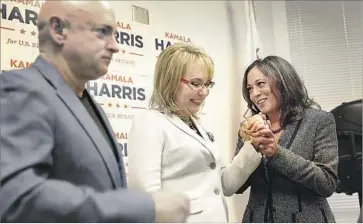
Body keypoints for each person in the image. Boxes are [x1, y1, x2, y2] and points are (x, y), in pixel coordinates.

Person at [0, 1, 190, 222]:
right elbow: (15, 197)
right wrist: (144, 208)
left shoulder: (85, 102)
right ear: (58, 30)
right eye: (103, 32)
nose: (115, 46)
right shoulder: (22, 90)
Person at [127, 43, 267, 222]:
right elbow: (145, 202)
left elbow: (225, 185)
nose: (204, 92)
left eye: (208, 84)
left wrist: (252, 146)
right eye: (195, 83)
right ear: (169, 80)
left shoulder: (198, 124)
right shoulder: (149, 122)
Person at [235, 55, 339, 222]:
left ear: (283, 81)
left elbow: (326, 183)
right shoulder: (250, 128)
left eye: (260, 84)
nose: (254, 94)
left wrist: (277, 154)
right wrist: (249, 150)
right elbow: (238, 186)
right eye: (249, 88)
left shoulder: (319, 121)